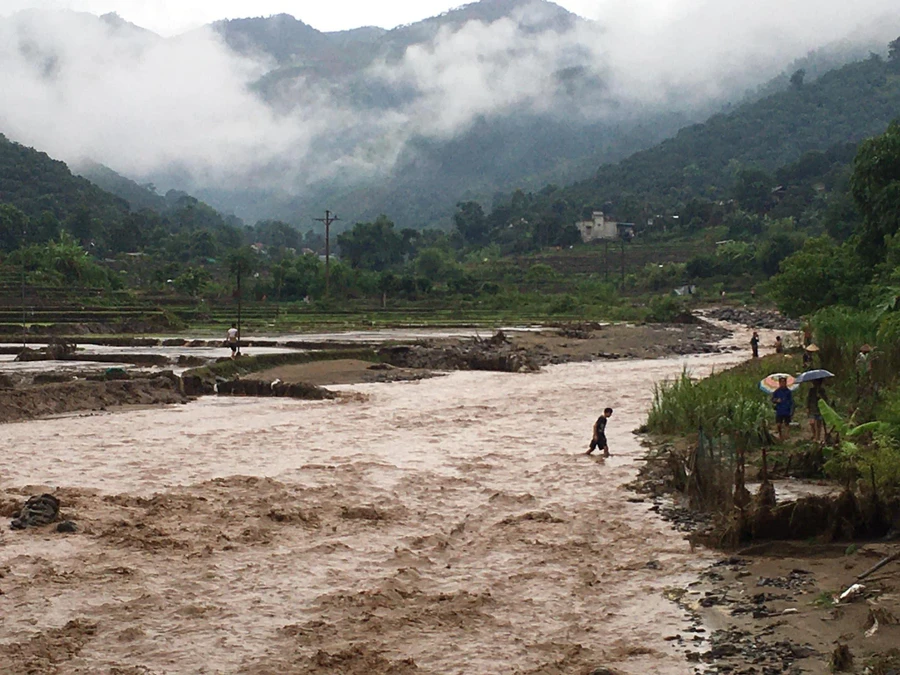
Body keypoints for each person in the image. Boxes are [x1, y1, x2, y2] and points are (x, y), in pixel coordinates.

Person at [772, 377, 794, 442]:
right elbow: (773, 399)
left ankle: (786, 436)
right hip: (779, 410)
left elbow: (791, 401)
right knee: (779, 424)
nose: (782, 383)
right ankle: (780, 435)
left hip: (787, 409)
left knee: (787, 423)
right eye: (781, 382)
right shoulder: (776, 392)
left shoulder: (788, 392)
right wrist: (776, 400)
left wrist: (791, 409)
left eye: (784, 382)